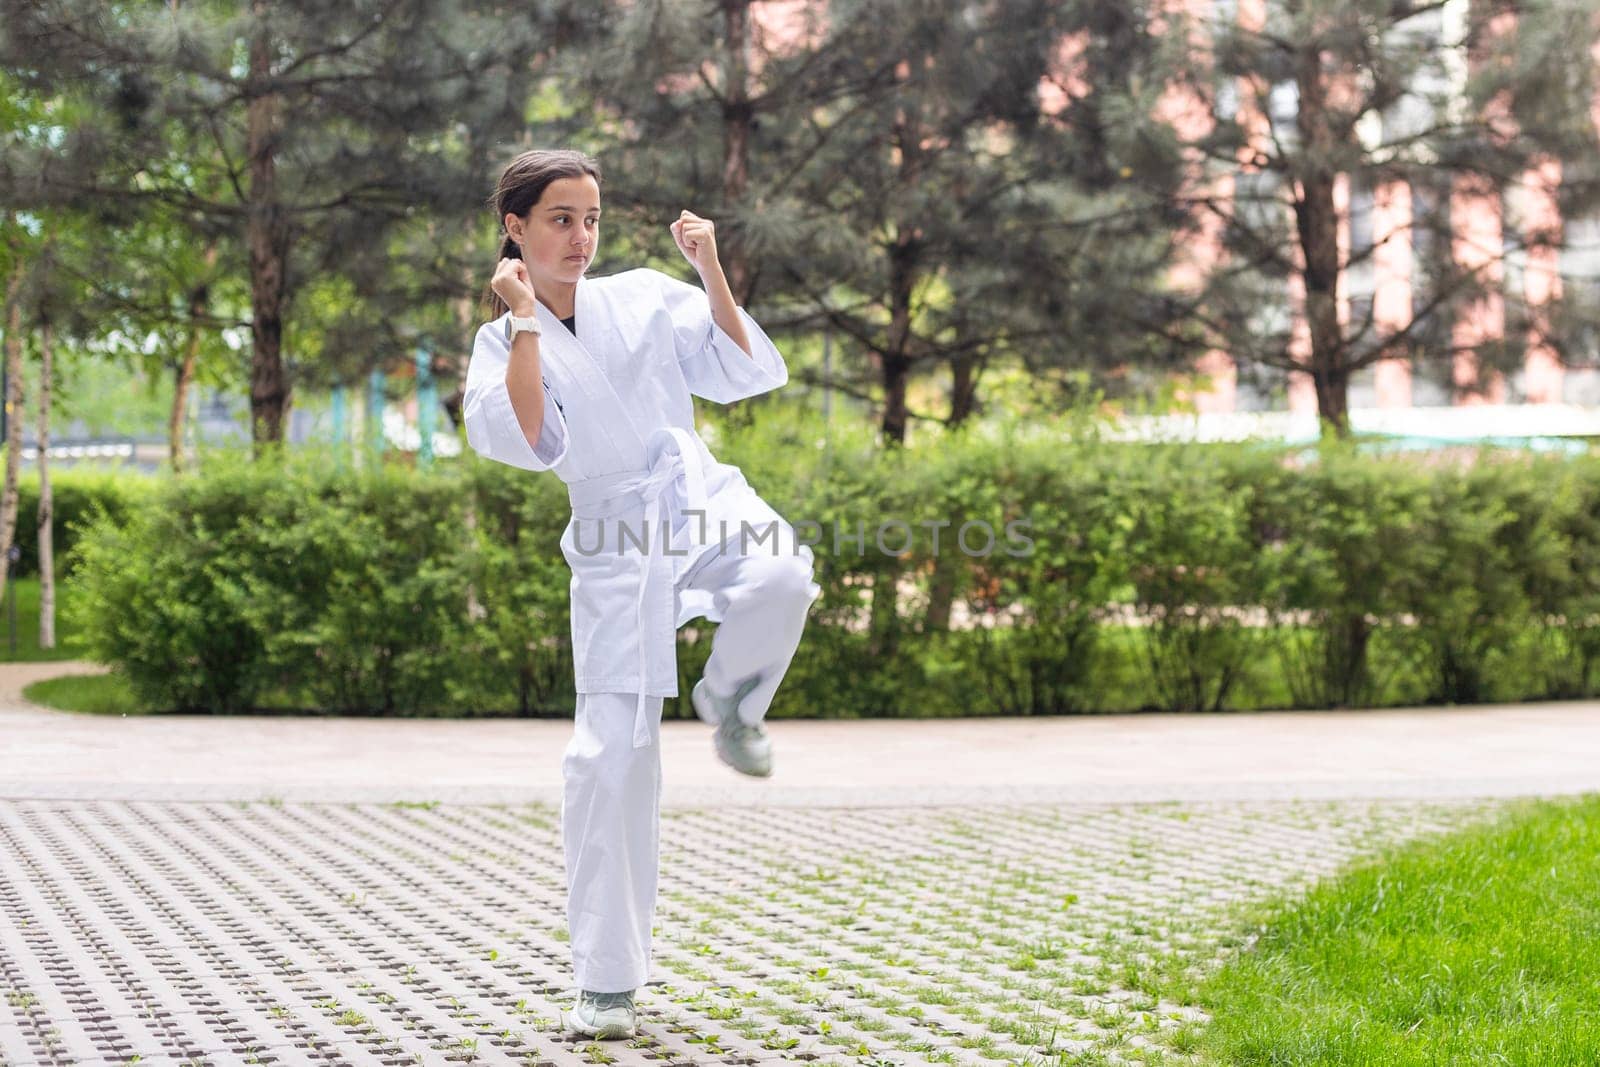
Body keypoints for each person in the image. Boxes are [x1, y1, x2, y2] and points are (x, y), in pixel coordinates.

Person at [459, 148, 821, 1040]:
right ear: (516, 227)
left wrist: (709, 268)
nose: (581, 237)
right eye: (560, 219)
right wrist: (525, 323)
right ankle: (607, 980)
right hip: (615, 535)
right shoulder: (500, 341)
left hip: (693, 495)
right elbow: (536, 434)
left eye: (590, 218)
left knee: (784, 573)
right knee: (610, 755)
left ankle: (733, 703)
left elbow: (740, 367)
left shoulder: (645, 293)